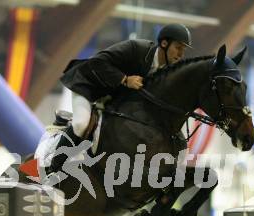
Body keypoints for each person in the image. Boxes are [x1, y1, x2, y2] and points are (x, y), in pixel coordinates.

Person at [49, 23, 192, 173]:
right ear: (164, 43)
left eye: (184, 49)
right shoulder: (137, 49)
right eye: (178, 47)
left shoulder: (168, 70)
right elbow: (98, 62)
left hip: (113, 97)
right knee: (81, 124)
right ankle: (50, 170)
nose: (181, 54)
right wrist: (125, 79)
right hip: (89, 86)